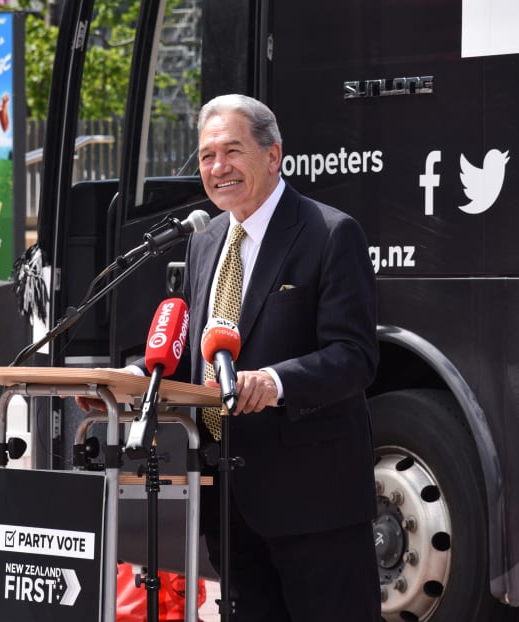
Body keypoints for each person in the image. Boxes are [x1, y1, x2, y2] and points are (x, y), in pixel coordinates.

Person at [79, 94, 381, 620]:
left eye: (232, 151)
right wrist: (134, 381)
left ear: (273, 155)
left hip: (314, 501)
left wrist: (276, 381)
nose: (218, 168)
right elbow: (194, 344)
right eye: (206, 156)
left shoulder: (329, 233)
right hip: (227, 499)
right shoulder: (206, 237)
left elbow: (355, 356)